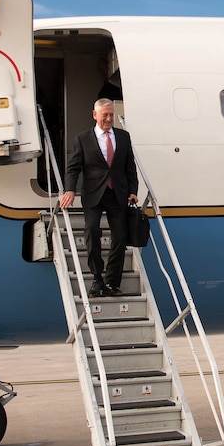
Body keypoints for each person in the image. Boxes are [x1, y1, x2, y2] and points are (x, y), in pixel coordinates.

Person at [59, 98, 138, 297]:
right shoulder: (83, 138)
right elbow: (73, 168)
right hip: (93, 194)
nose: (109, 119)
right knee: (92, 230)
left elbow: (130, 167)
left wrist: (133, 190)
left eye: (112, 115)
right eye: (105, 115)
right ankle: (97, 278)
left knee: (120, 237)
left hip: (118, 194)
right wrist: (69, 190)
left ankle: (112, 282)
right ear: (95, 115)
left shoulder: (123, 137)